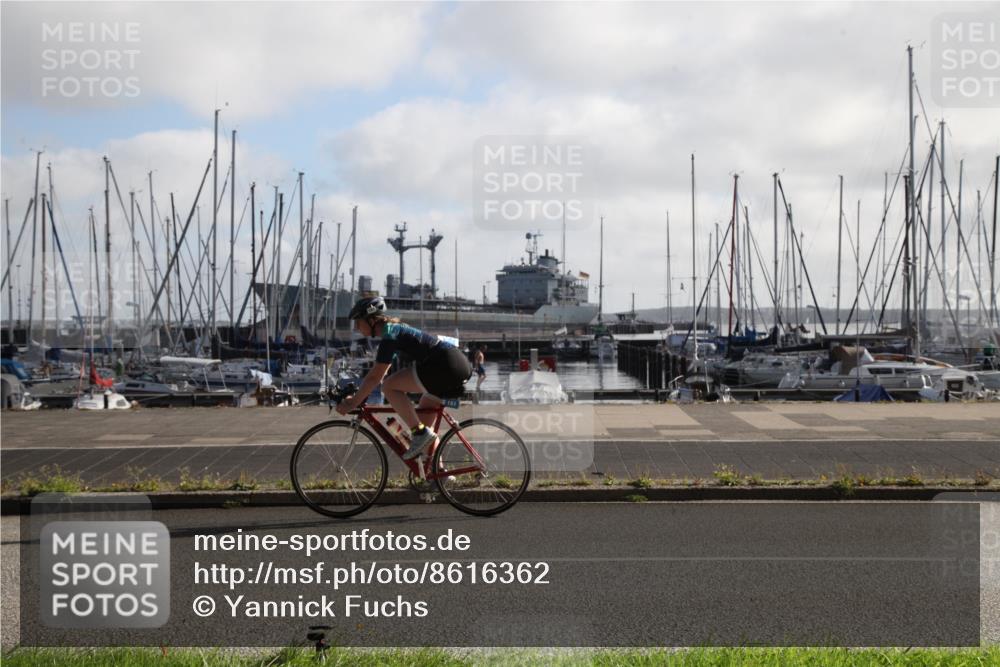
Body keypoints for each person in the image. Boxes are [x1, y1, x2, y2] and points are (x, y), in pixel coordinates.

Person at [337, 296, 472, 460]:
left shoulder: (390, 333)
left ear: (372, 320)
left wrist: (353, 402)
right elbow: (381, 371)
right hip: (454, 364)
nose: (357, 327)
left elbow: (376, 377)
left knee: (389, 387)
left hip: (443, 365)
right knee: (423, 426)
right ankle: (439, 475)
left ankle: (420, 433)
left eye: (358, 322)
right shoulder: (394, 329)